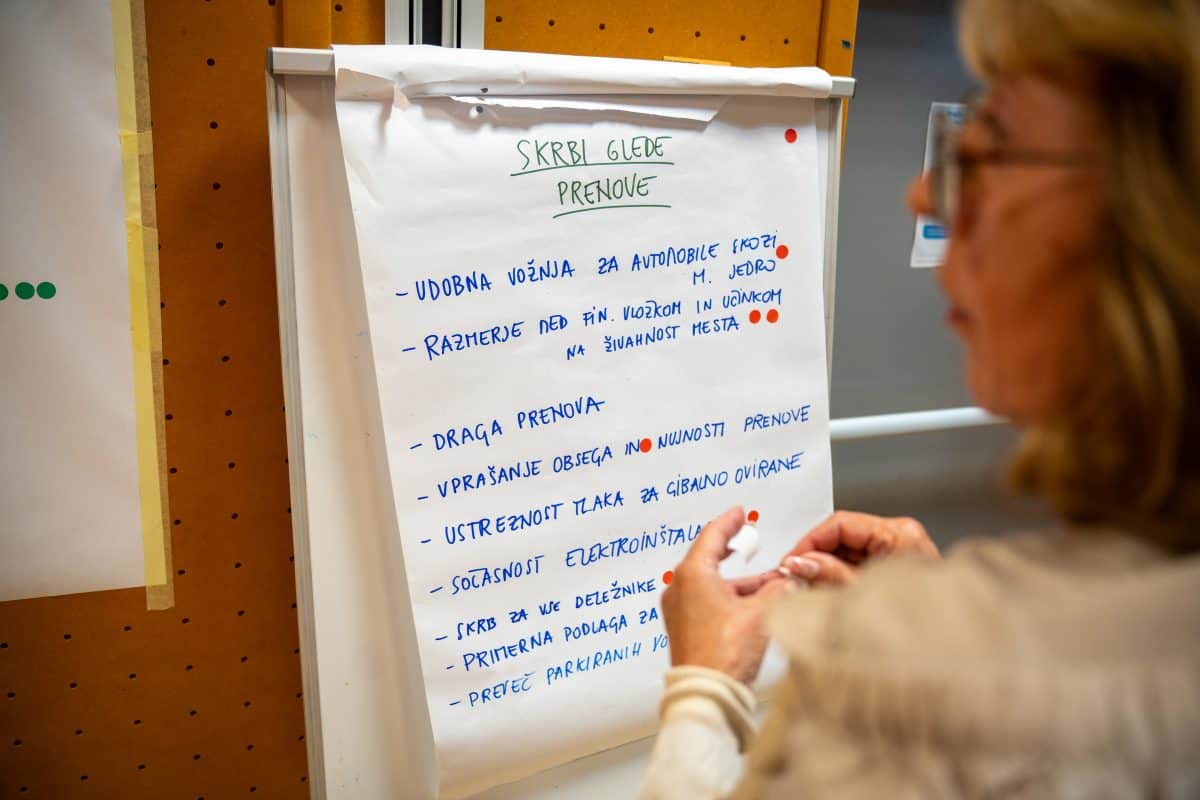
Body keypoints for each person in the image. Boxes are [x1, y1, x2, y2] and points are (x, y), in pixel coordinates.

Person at [638, 0, 1200, 796]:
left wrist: (706, 686)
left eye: (990, 145)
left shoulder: (919, 706)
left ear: (1153, 215)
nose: (922, 195)